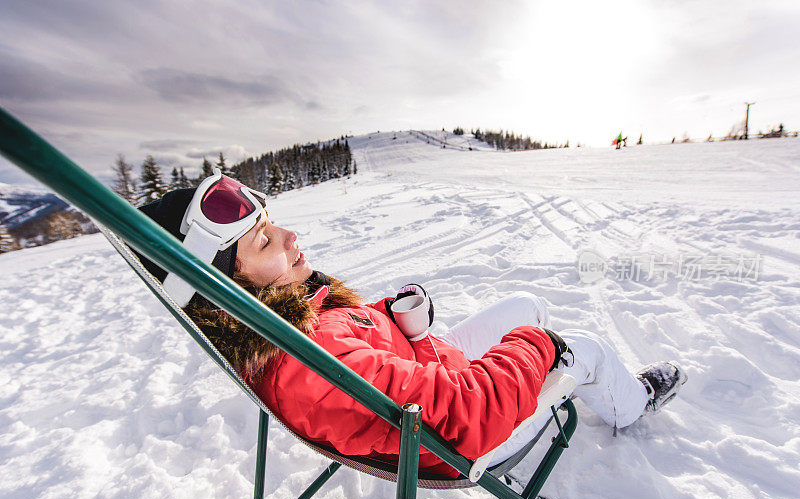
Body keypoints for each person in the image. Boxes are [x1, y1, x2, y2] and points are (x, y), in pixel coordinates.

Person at [136, 171, 687, 478]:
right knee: (574, 344)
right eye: (264, 241)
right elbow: (468, 413)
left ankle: (567, 361)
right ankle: (631, 403)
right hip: (455, 438)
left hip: (427, 372)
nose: (291, 237)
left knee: (525, 301)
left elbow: (364, 351)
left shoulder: (288, 324)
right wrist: (541, 348)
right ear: (231, 290)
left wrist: (404, 324)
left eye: (273, 224)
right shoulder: (311, 360)